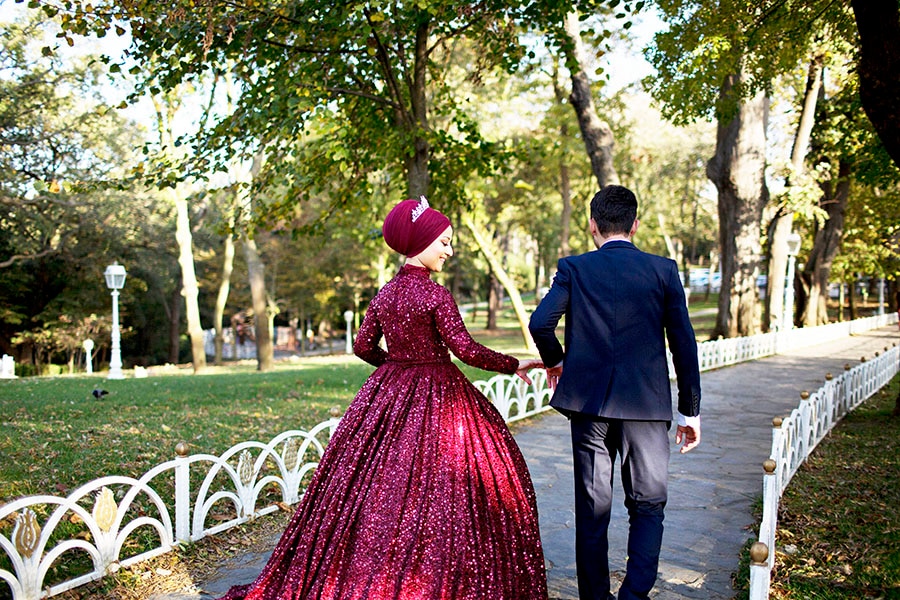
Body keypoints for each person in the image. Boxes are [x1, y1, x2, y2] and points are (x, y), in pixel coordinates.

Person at [219, 196, 548, 600]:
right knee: (452, 486)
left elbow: (362, 345)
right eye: (444, 242)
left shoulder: (386, 293)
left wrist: (394, 367)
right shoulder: (435, 295)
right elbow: (464, 349)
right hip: (438, 392)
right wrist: (513, 363)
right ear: (421, 243)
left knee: (372, 483)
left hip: (390, 389)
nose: (449, 250)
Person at [528, 185, 701, 600]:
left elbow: (540, 323)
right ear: (635, 225)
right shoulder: (663, 270)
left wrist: (555, 361)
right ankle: (634, 596)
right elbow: (684, 343)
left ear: (593, 225)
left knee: (592, 508)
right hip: (647, 406)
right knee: (648, 504)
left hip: (589, 407)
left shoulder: (574, 268)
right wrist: (689, 411)